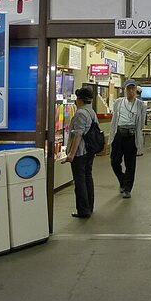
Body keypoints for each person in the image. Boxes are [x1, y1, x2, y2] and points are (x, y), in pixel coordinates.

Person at [60, 87, 96, 218]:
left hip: (80, 152)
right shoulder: (91, 112)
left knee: (79, 181)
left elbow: (78, 136)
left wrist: (71, 155)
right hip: (89, 152)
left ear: (79, 99)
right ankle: (89, 207)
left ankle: (83, 210)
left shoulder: (81, 113)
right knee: (87, 178)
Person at [109, 78, 146, 199]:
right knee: (114, 161)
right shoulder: (118, 102)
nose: (130, 91)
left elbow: (141, 123)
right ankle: (122, 179)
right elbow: (114, 120)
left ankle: (127, 188)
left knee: (130, 164)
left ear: (136, 90)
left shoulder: (140, 105)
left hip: (131, 136)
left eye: (133, 88)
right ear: (124, 90)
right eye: (128, 88)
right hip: (119, 134)